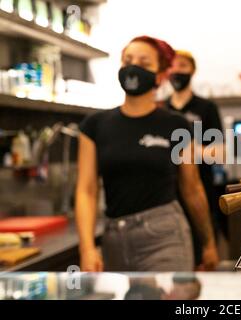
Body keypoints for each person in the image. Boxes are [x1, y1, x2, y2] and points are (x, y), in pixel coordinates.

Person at [75, 36, 219, 272]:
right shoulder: (94, 125)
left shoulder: (177, 125)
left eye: (144, 63)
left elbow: (192, 188)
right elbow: (86, 190)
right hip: (114, 239)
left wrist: (209, 243)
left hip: (165, 236)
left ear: (160, 76)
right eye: (128, 60)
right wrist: (87, 248)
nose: (133, 68)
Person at [166, 50, 227, 267]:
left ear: (192, 70)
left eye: (182, 66)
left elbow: (219, 152)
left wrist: (185, 152)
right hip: (168, 197)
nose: (176, 71)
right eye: (172, 66)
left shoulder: (206, 108)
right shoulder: (161, 109)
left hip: (202, 191)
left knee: (203, 258)